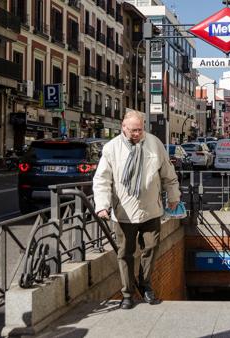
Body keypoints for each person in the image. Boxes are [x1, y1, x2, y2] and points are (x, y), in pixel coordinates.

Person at [93, 110, 180, 309]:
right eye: (133, 130)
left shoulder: (154, 144)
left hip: (151, 210)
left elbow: (168, 173)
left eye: (140, 130)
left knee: (150, 248)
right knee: (125, 254)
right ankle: (127, 294)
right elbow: (102, 180)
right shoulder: (111, 148)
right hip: (123, 213)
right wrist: (102, 205)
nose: (137, 134)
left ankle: (146, 285)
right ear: (123, 127)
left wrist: (173, 196)